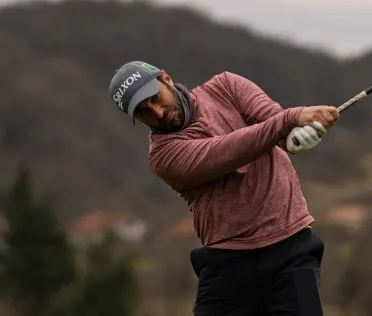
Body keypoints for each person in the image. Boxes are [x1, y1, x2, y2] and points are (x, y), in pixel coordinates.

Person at [108, 60, 340, 315]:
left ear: (166, 78)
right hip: (229, 263)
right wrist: (292, 118)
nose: (158, 113)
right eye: (144, 112)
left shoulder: (227, 86)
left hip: (290, 247)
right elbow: (230, 150)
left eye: (155, 98)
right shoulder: (164, 157)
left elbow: (276, 125)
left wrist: (297, 133)